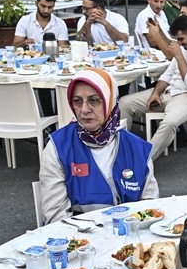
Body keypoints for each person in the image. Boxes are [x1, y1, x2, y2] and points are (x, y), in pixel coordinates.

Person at [40, 69, 158, 223]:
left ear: (110, 101)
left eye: (94, 100)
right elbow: (56, 218)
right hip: (79, 239)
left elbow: (149, 210)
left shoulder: (137, 148)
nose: (84, 110)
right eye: (77, 101)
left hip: (130, 237)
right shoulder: (58, 147)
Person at [119, 15, 187, 159]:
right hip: (168, 91)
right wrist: (156, 92)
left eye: (181, 39)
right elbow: (167, 75)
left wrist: (179, 56)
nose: (179, 44)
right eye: (177, 40)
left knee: (170, 122)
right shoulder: (185, 47)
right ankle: (120, 152)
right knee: (124, 103)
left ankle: (144, 160)